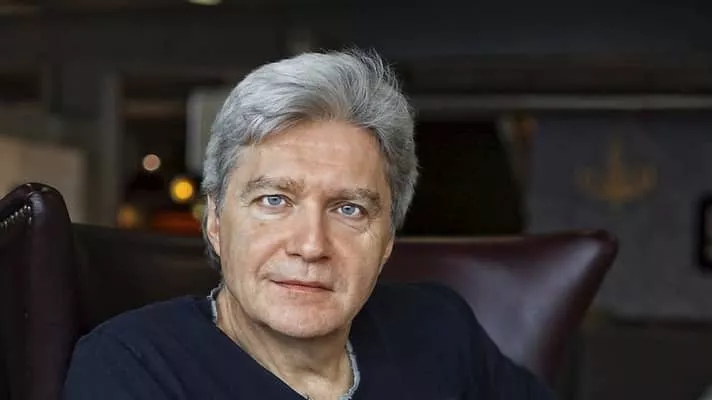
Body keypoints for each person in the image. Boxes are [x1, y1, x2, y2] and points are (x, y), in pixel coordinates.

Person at [63, 50, 554, 399]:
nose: (311, 245)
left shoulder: (439, 329)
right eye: (274, 200)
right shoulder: (131, 367)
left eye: (349, 209)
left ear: (387, 239)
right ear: (215, 221)